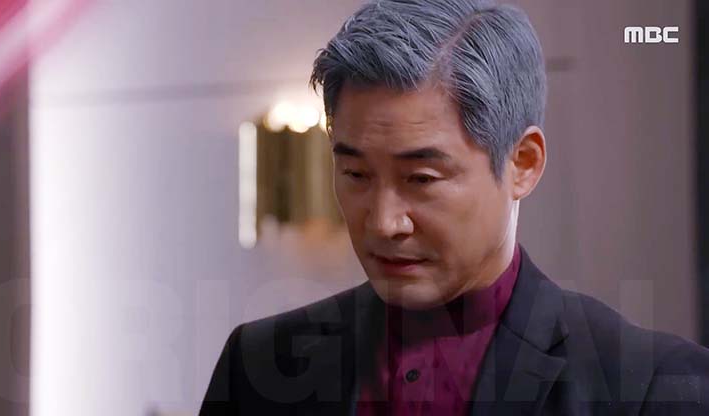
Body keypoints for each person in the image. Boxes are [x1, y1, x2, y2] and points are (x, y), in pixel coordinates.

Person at [200, 0, 709, 414]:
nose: (384, 222)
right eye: (356, 175)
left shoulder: (652, 387)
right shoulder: (258, 366)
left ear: (523, 163)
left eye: (421, 179)